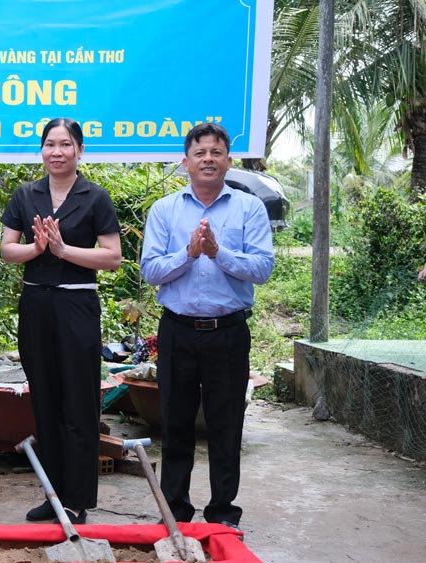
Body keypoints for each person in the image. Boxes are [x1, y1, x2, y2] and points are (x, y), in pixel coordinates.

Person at [140, 122, 275, 531]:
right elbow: (150, 269)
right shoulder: (165, 210)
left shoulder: (248, 208)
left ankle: (221, 512)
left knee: (225, 422)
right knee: (175, 422)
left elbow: (262, 268)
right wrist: (189, 253)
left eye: (216, 153)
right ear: (186, 162)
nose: (208, 160)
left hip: (228, 332)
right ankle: (175, 510)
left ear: (228, 161)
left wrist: (218, 253)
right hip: (177, 330)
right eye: (200, 153)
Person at [0, 118, 122, 525]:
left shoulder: (95, 196)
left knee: (79, 403)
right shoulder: (26, 194)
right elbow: (6, 250)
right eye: (50, 144)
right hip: (36, 305)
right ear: (42, 151)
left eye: (65, 144)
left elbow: (112, 257)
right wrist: (37, 249)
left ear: (79, 150)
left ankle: (78, 499)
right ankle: (53, 495)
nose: (57, 151)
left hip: (77, 307)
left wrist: (64, 249)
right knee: (47, 401)